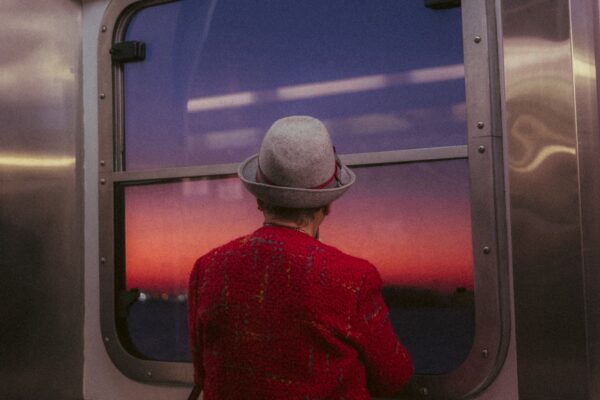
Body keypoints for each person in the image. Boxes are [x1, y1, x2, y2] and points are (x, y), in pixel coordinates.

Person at [188, 116, 413, 400]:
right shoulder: (353, 278)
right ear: (328, 204)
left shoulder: (207, 269)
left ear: (259, 198)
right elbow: (394, 377)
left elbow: (203, 375)